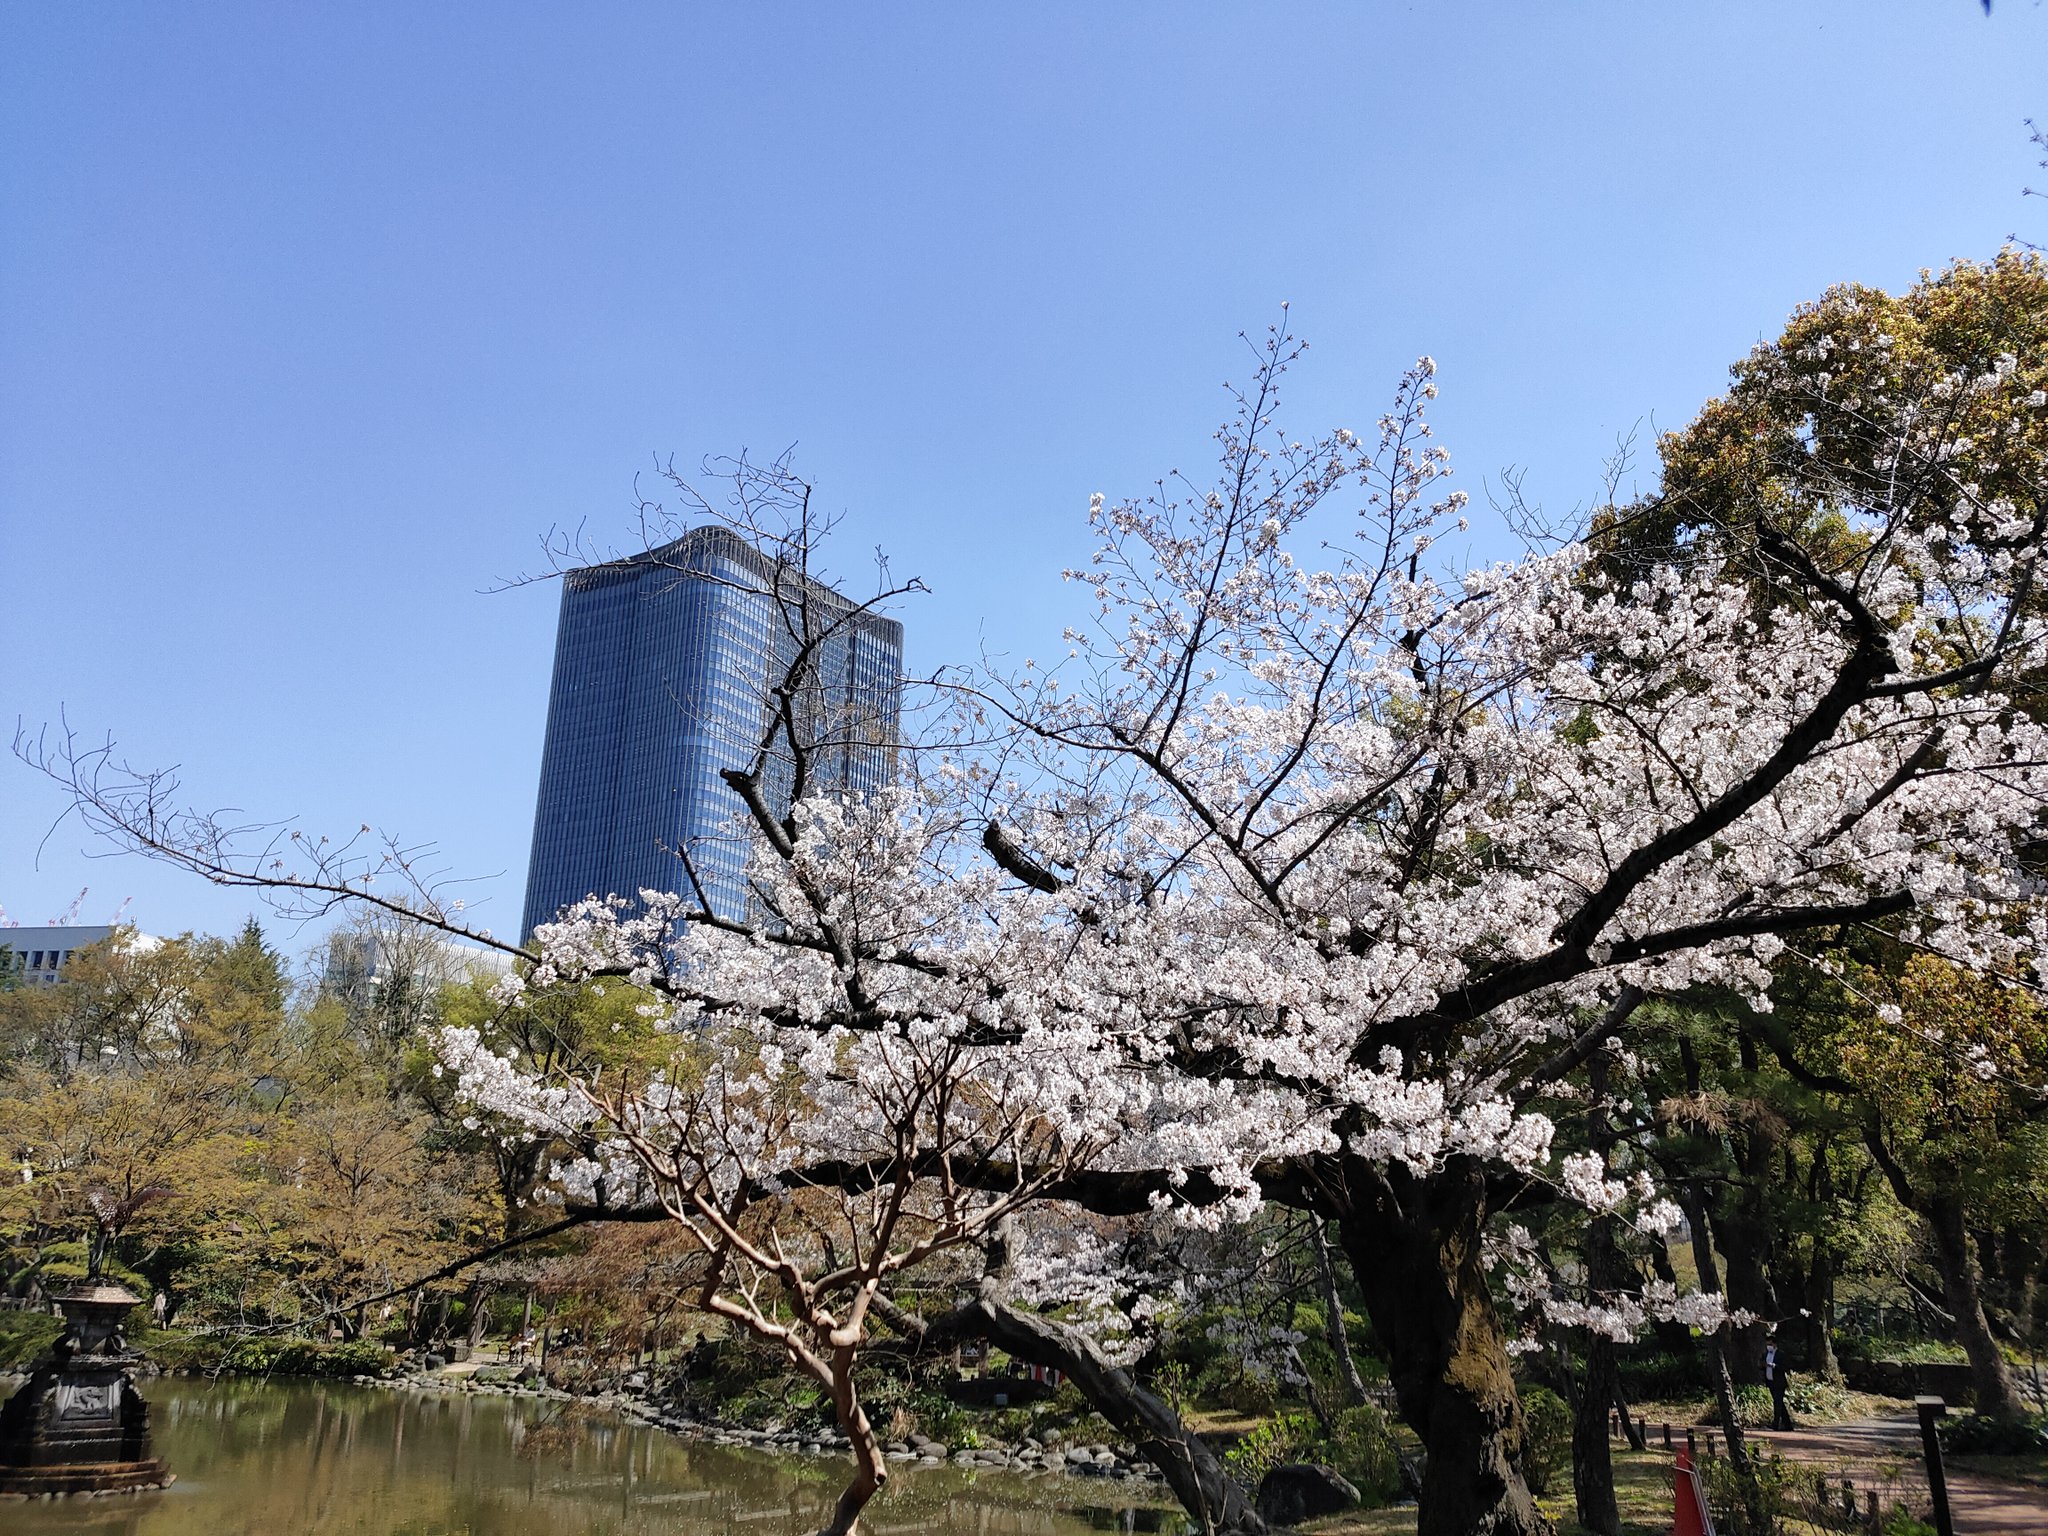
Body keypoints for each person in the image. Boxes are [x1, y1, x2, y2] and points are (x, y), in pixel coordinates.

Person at [1764, 1331, 1794, 1430]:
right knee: (1779, 1403)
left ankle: (1775, 1424)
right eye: (1767, 1344)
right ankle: (1788, 1425)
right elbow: (1762, 1364)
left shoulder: (1781, 1354)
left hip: (1779, 1382)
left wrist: (1774, 1366)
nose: (1769, 1346)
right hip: (1770, 1381)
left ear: (1775, 1344)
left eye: (1770, 1344)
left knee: (1777, 1403)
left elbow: (1785, 1367)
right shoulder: (1766, 1354)